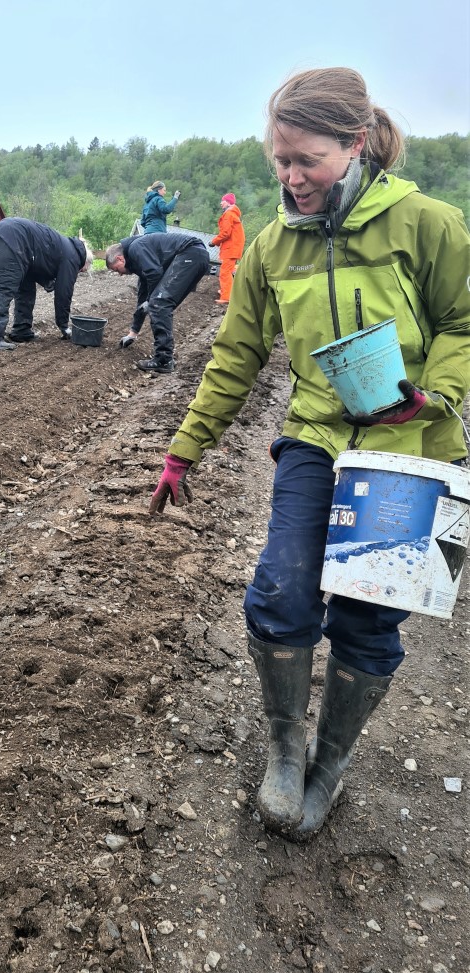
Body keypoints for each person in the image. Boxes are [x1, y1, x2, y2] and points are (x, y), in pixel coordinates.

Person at [149, 67, 470, 841]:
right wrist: (183, 450)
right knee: (282, 592)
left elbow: (464, 325)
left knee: (368, 617)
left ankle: (330, 761)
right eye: (280, 163)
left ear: (355, 144)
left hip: (406, 447)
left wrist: (436, 396)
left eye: (309, 162)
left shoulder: (426, 224)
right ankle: (286, 750)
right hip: (317, 440)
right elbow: (235, 356)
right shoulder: (271, 247)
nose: (292, 180)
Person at [0, 218, 93, 350]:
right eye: (81, 271)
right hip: (13, 239)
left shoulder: (66, 247)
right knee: (5, 288)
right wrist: (64, 326)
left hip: (8, 238)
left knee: (26, 289)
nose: (77, 273)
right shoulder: (73, 257)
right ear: (84, 262)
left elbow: (43, 267)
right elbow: (63, 293)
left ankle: (22, 331)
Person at [106, 233, 210, 374]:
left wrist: (151, 301)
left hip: (189, 253)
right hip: (196, 256)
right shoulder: (138, 260)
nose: (119, 274)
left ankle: (164, 359)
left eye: (116, 269)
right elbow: (143, 297)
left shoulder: (136, 248)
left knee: (159, 303)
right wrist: (133, 333)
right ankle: (165, 358)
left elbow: (155, 274)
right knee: (160, 304)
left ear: (120, 258)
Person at [210, 192, 245, 305]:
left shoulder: (228, 215)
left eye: (223, 201)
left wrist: (214, 241)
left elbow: (225, 233)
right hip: (233, 248)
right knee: (228, 271)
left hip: (230, 248)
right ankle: (226, 291)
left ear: (228, 202)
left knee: (225, 272)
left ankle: (226, 297)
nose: (221, 203)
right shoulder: (233, 214)